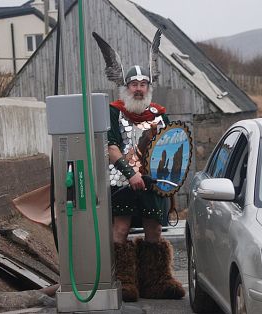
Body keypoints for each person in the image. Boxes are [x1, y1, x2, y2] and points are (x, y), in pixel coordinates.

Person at [107, 65, 185, 302]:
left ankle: (156, 282)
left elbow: (171, 146)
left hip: (153, 179)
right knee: (121, 228)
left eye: (143, 85)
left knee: (155, 228)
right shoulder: (114, 112)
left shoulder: (159, 113)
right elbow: (111, 147)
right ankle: (123, 282)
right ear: (126, 87)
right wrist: (130, 174)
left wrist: (170, 179)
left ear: (148, 88)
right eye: (134, 85)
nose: (139, 89)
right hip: (121, 178)